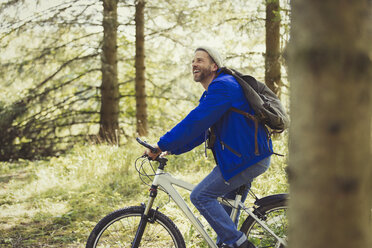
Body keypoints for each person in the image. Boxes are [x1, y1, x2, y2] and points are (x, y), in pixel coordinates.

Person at [144, 46, 272, 248]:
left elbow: (195, 121)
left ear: (214, 66)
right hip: (240, 159)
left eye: (200, 60)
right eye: (193, 61)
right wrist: (171, 149)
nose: (194, 64)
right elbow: (202, 131)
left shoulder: (223, 86)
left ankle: (242, 245)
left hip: (246, 159)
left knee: (201, 196)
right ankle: (230, 244)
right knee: (225, 219)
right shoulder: (215, 90)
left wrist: (161, 143)